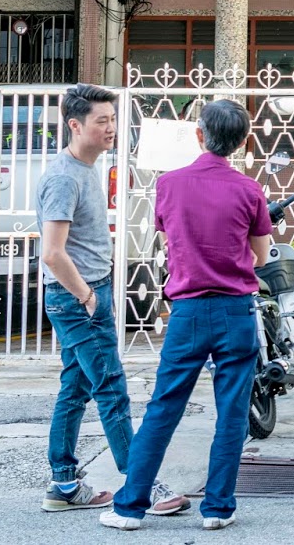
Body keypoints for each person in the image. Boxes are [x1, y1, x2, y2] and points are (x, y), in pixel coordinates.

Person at [100, 100, 270, 532]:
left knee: (163, 408)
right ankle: (217, 508)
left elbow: (169, 237)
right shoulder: (250, 190)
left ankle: (130, 508)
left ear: (199, 135)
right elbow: (262, 255)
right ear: (243, 142)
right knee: (231, 411)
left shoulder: (170, 184)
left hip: (187, 311)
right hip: (236, 310)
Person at [37, 84, 189, 517]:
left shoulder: (89, 167)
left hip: (89, 292)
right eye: (101, 121)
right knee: (111, 388)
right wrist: (87, 296)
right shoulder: (64, 177)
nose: (111, 129)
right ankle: (141, 485)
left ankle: (64, 483)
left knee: (76, 387)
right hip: (77, 297)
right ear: (75, 124)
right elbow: (52, 252)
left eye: (112, 120)